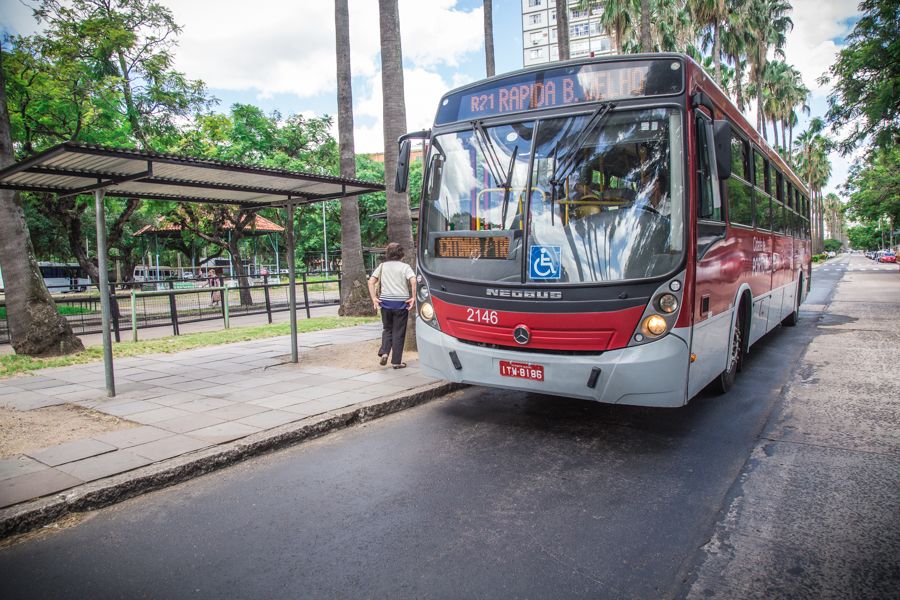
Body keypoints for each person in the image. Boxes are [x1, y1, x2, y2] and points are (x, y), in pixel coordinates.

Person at [368, 242, 416, 369]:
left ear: (388, 254)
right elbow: (413, 280)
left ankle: (384, 352)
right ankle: (396, 361)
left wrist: (374, 298)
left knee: (387, 329)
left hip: (385, 303)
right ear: (401, 254)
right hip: (401, 303)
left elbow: (371, 281)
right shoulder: (405, 267)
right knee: (398, 332)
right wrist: (413, 297)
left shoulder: (382, 266)